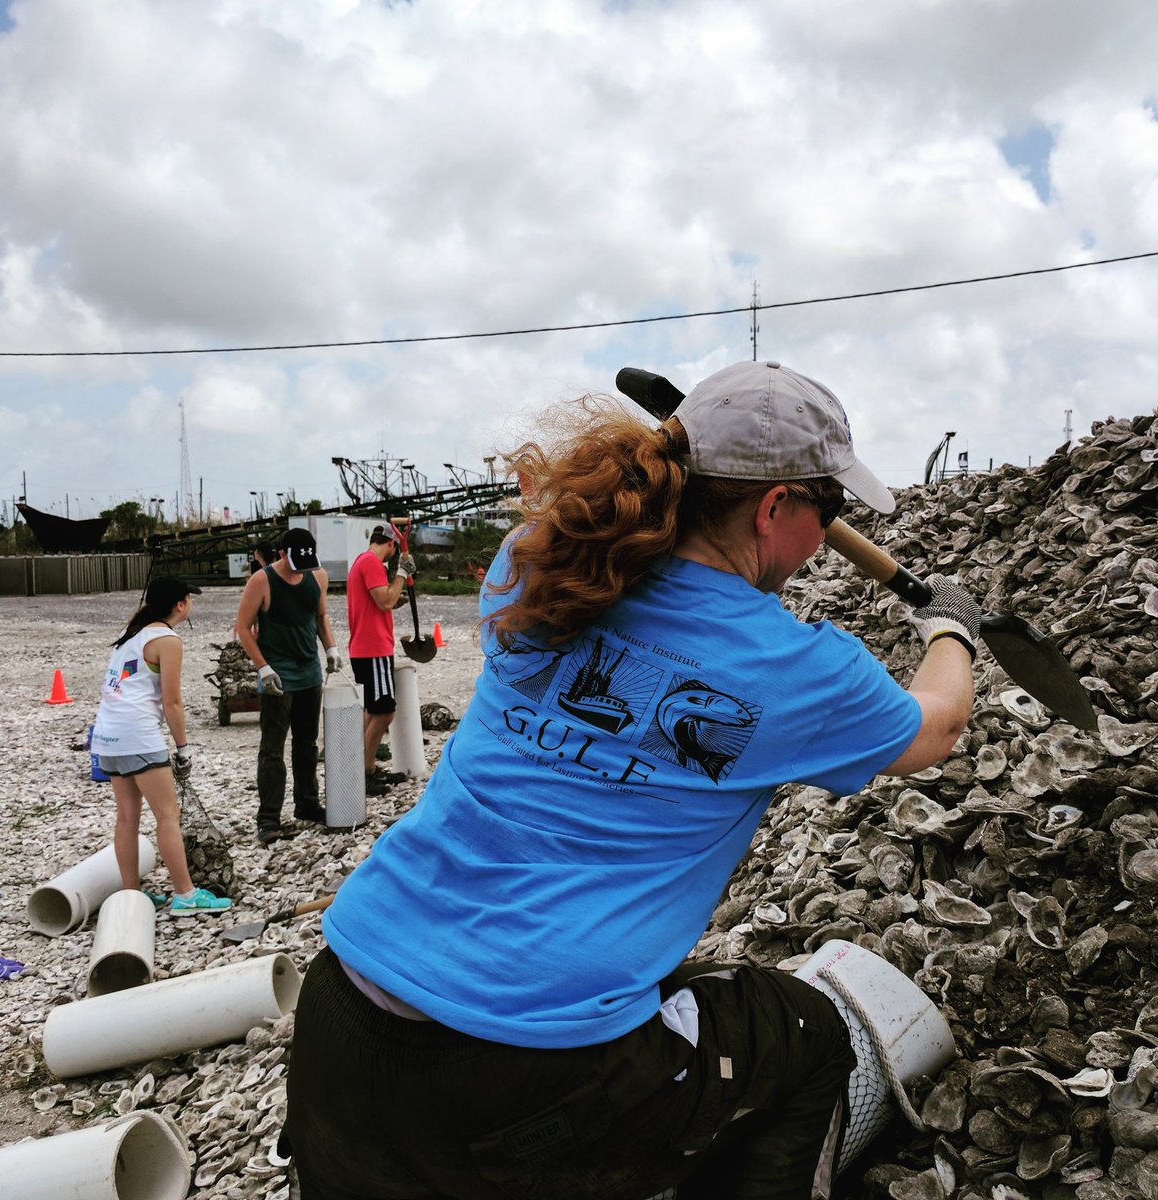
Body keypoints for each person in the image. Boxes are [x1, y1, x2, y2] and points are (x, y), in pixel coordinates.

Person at [284, 360, 978, 1200]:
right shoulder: (791, 669)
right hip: (529, 1070)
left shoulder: (531, 561)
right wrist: (953, 627)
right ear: (773, 508)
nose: (820, 540)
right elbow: (936, 726)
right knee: (810, 1036)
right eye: (825, 511)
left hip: (344, 1015)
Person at [91, 577, 232, 914]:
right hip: (139, 736)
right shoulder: (167, 639)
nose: (191, 604)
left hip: (108, 737)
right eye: (189, 598)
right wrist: (184, 748)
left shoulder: (131, 637)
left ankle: (131, 894)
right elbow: (172, 702)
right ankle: (185, 895)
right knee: (168, 816)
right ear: (180, 604)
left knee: (127, 819)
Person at [235, 527, 342, 845]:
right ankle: (268, 819)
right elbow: (242, 627)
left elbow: (320, 616)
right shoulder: (262, 581)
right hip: (277, 676)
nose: (302, 569)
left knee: (307, 743)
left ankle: (307, 804)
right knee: (272, 748)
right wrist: (262, 667)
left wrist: (332, 648)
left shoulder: (317, 576)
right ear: (282, 555)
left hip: (310, 673)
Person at [346, 521, 416, 795]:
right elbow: (385, 601)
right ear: (391, 544)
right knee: (385, 711)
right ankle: (364, 773)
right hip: (373, 649)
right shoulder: (372, 563)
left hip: (364, 648)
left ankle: (363, 767)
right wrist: (400, 574)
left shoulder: (360, 562)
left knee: (371, 712)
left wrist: (399, 586)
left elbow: (381, 601)